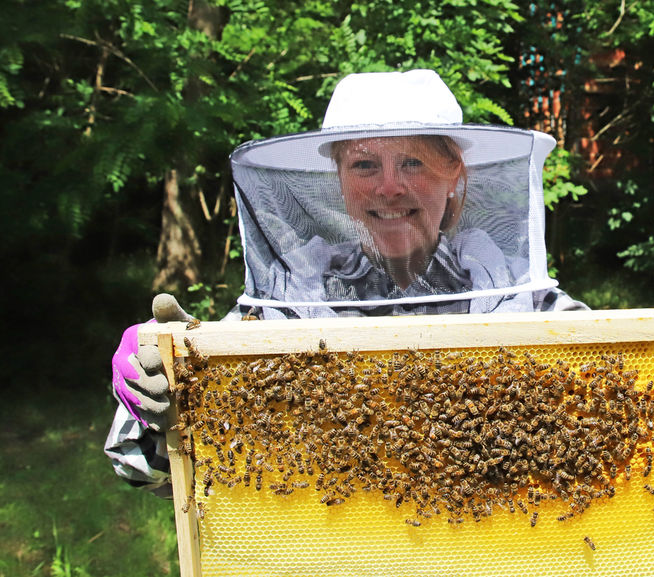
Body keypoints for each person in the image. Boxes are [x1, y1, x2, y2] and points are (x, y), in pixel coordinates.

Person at [106, 69, 587, 495]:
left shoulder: (525, 299)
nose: (389, 187)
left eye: (413, 162)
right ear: (339, 178)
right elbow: (140, 471)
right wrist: (167, 386)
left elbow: (625, 398)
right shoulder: (286, 299)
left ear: (452, 174)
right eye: (364, 165)